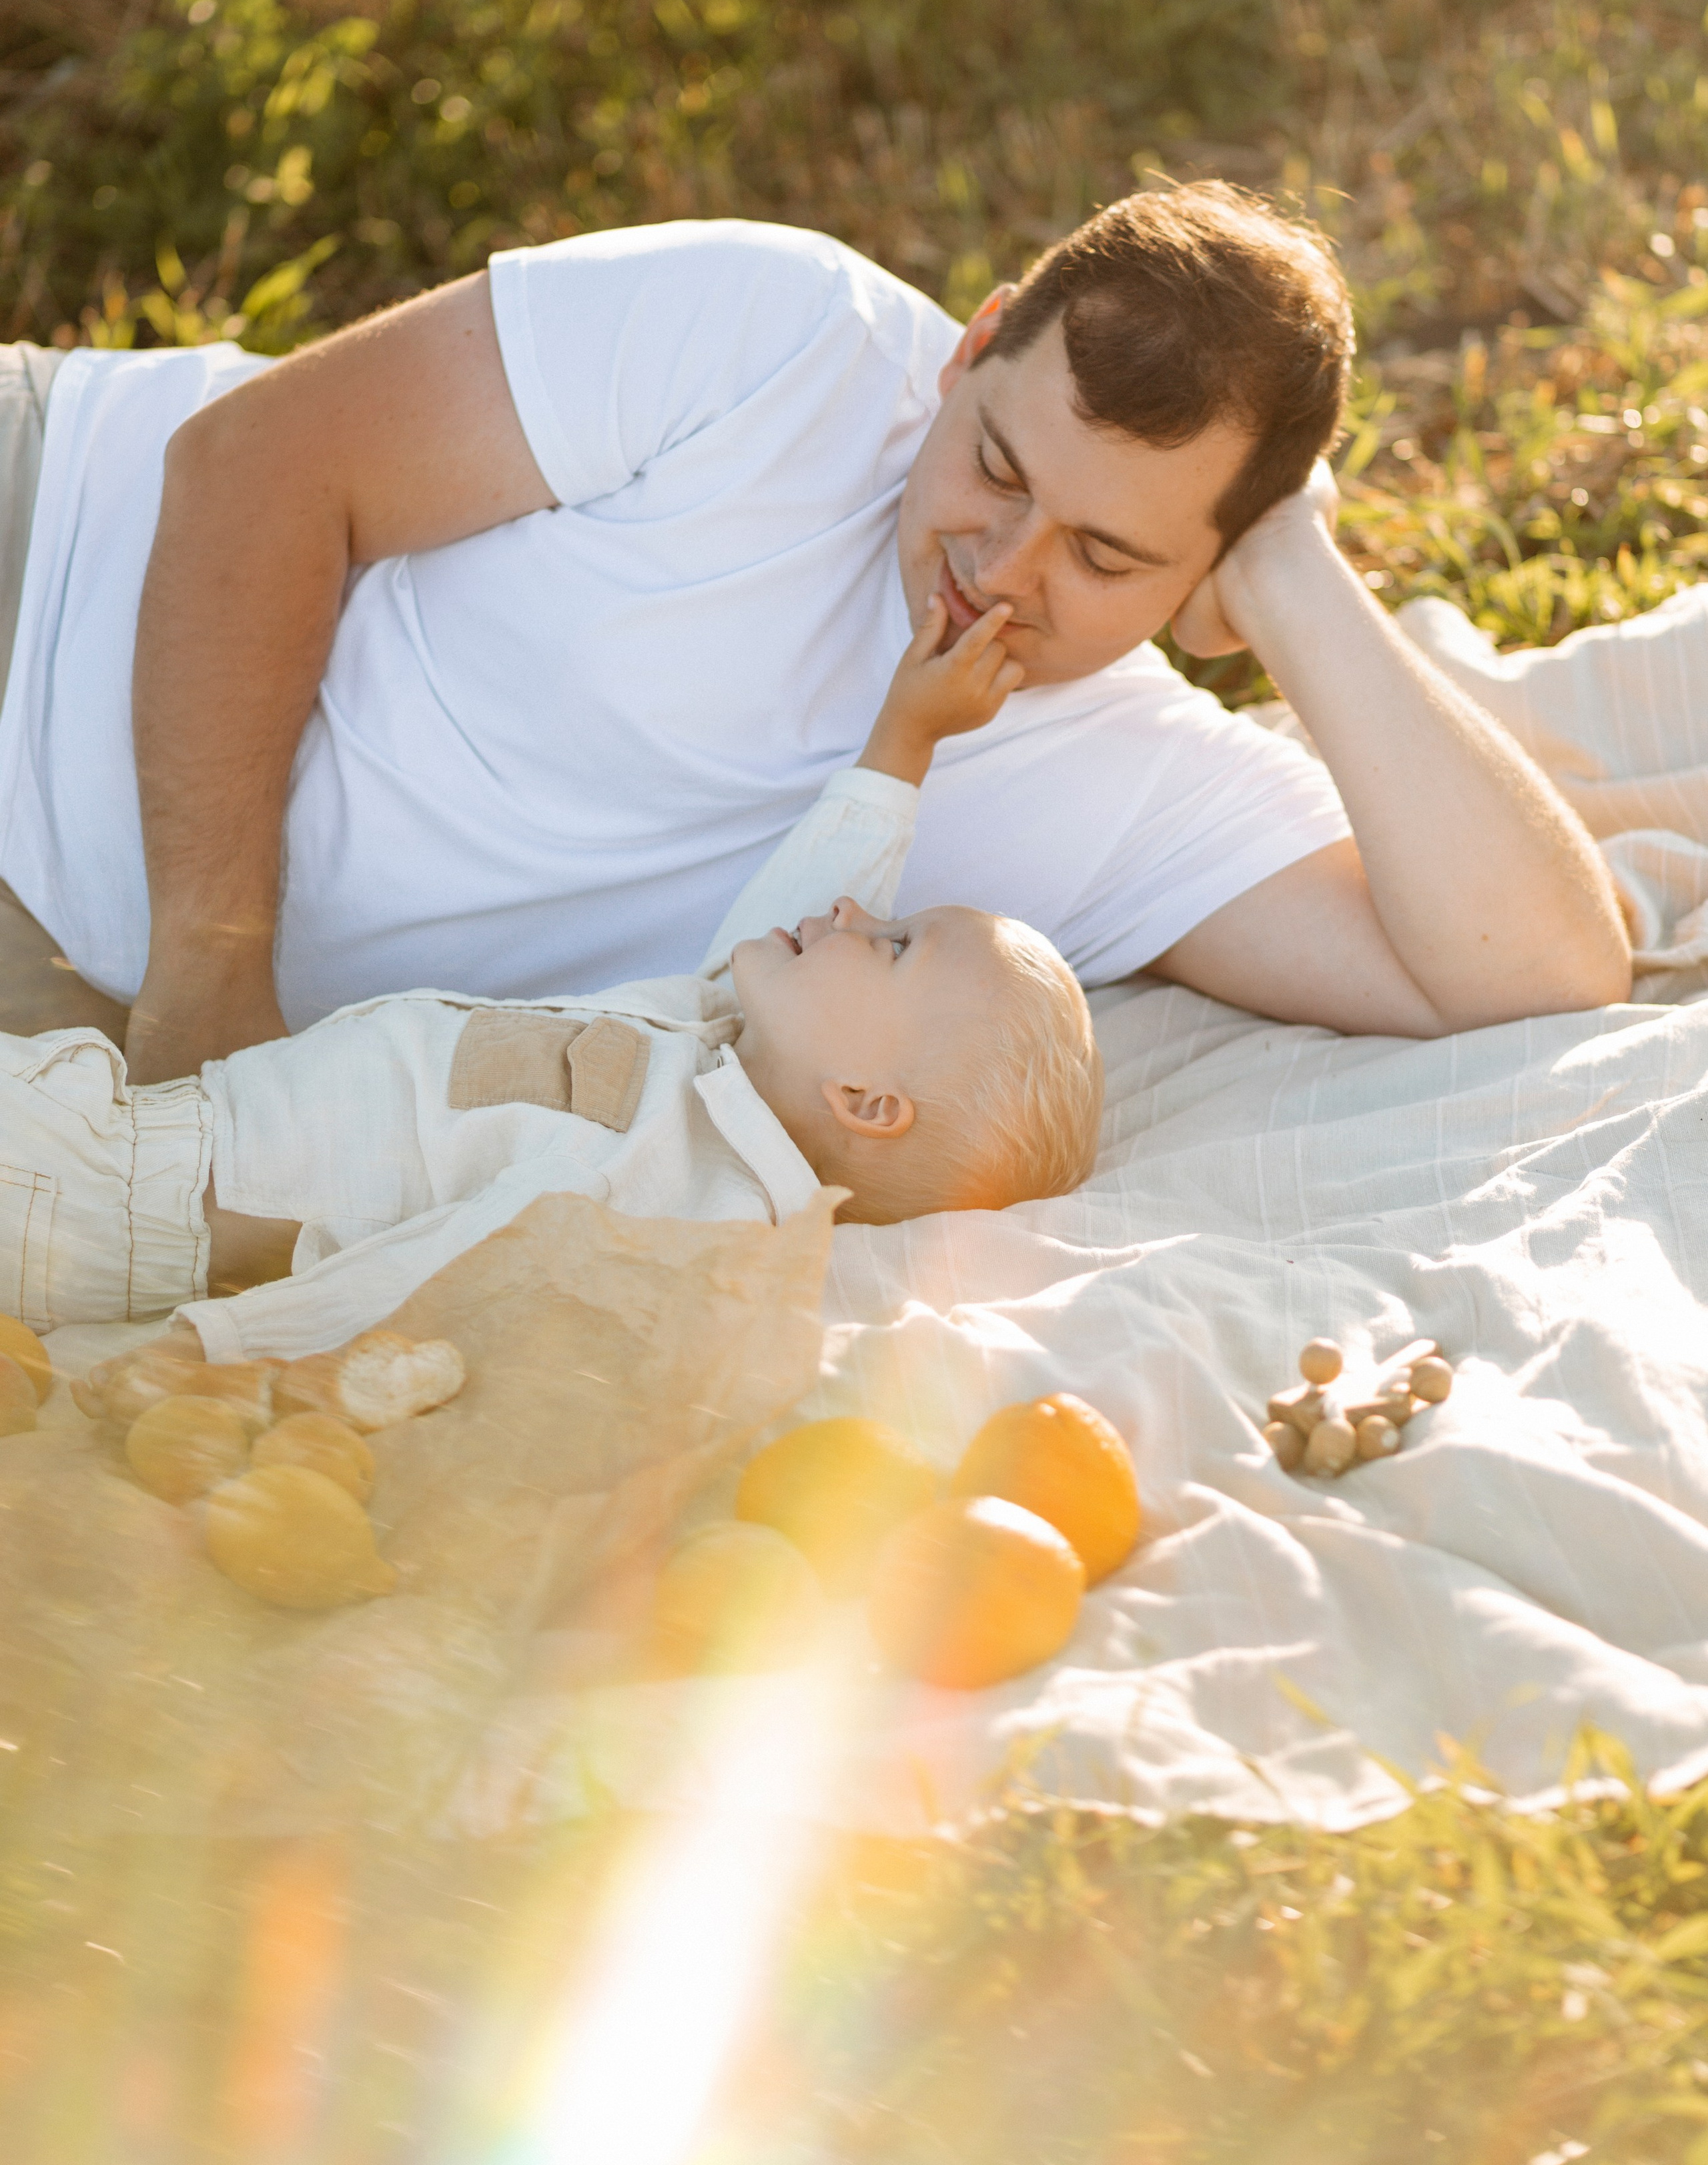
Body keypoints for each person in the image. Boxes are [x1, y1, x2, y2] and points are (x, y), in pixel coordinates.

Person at [0, 185, 1629, 1092]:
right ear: (976, 343)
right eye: (997, 465)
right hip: (42, 550)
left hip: (57, 976)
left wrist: (1291, 574)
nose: (1000, 569)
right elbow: (251, 470)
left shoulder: (1132, 776)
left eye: (1111, 553)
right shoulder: (780, 335)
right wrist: (210, 980)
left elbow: (1535, 970)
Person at [0, 595, 1102, 1360]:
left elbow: (448, 1276)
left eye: (897, 945)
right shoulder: (720, 1044)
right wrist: (903, 742)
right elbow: (798, 908)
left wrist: (217, 1351)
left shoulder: (690, 1202)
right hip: (129, 1128)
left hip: (131, 1201)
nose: (860, 913)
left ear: (865, 1100)